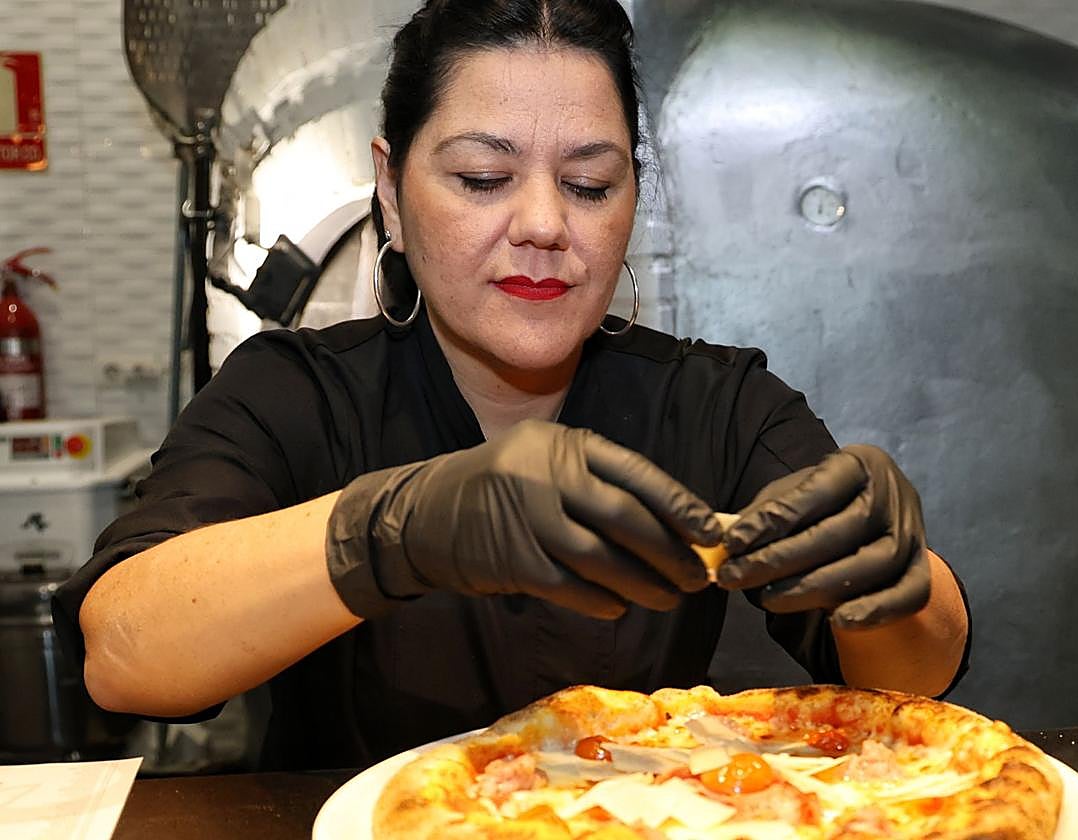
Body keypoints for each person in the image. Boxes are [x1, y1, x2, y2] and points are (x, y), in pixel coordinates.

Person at [53, 0, 969, 772]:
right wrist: (391, 531)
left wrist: (897, 582)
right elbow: (122, 655)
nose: (542, 223)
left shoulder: (715, 405)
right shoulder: (295, 395)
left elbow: (911, 680)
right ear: (390, 188)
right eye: (483, 176)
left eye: (588, 183)